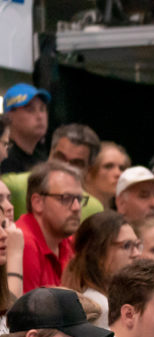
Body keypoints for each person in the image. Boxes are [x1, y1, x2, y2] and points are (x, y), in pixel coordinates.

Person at [17, 161, 82, 292]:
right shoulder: (24, 243)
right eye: (66, 198)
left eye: (79, 199)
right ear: (38, 203)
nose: (77, 207)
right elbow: (27, 311)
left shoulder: (68, 242)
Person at [0, 84, 50, 174]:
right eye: (30, 109)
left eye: (42, 109)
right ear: (9, 116)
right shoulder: (3, 158)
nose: (40, 116)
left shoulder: (43, 159)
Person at [85, 142, 130, 209]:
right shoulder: (75, 208)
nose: (118, 174)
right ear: (88, 171)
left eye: (121, 168)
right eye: (108, 166)